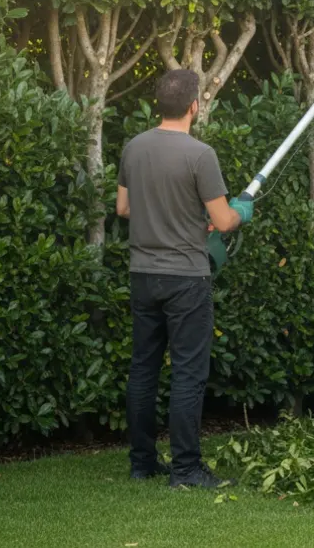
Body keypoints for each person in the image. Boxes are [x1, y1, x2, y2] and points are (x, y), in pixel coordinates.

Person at [115, 69, 253, 489]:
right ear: (195, 105)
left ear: (160, 103)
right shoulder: (200, 155)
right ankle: (187, 470)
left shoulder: (134, 148)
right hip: (186, 280)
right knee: (188, 374)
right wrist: (243, 210)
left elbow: (123, 209)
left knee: (143, 370)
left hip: (143, 275)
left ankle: (142, 463)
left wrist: (174, 218)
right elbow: (224, 220)